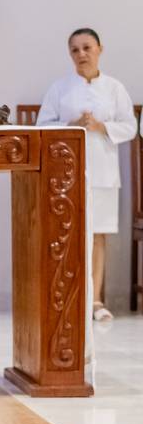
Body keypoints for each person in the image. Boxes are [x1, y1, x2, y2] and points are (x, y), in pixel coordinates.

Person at [37, 28, 136, 322]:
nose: (81, 54)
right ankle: (68, 298)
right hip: (68, 173)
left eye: (86, 48)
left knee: (98, 235)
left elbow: (130, 127)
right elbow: (43, 125)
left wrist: (101, 126)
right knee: (67, 234)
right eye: (75, 50)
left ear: (99, 49)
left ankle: (94, 300)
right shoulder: (60, 88)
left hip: (104, 172)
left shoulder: (115, 88)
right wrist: (73, 124)